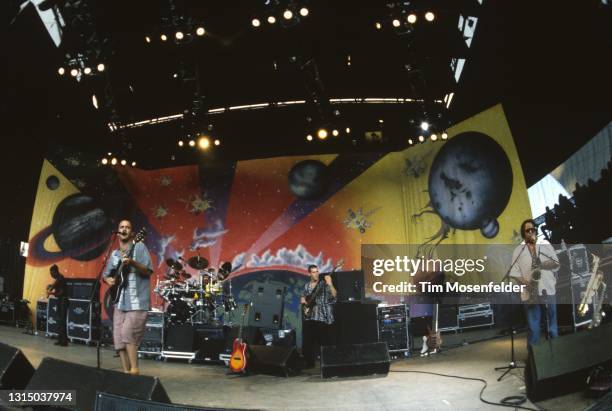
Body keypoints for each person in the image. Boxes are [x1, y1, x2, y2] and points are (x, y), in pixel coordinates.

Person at [103, 220, 153, 375]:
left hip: (137, 302)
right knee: (119, 339)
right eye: (121, 227)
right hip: (119, 301)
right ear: (118, 232)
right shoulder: (115, 254)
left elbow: (148, 271)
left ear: (132, 233)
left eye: (127, 227)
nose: (124, 229)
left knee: (127, 334)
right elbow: (106, 274)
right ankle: (126, 373)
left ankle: (135, 370)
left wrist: (132, 262)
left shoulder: (139, 247)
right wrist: (109, 280)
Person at [509, 219, 560, 346]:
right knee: (533, 329)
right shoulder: (518, 250)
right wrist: (528, 284)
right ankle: (534, 361)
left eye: (533, 229)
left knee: (552, 327)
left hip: (547, 290)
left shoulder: (544, 243)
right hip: (530, 293)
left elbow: (556, 263)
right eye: (528, 230)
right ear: (523, 233)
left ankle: (556, 357)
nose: (531, 232)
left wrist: (541, 264)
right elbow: (514, 273)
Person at [300, 264, 337, 368]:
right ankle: (309, 364)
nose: (316, 274)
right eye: (313, 272)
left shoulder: (323, 284)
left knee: (324, 342)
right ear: (309, 274)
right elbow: (303, 297)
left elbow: (334, 296)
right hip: (310, 317)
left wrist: (330, 284)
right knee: (308, 342)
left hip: (323, 316)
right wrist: (304, 307)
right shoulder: (307, 286)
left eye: (317, 271)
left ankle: (328, 364)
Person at [47, 264, 68, 346]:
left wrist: (52, 292)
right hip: (60, 301)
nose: (51, 274)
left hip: (63, 300)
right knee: (59, 321)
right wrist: (50, 288)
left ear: (55, 271)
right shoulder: (58, 279)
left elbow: (61, 292)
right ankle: (60, 340)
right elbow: (54, 286)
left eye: (51, 272)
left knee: (62, 321)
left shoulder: (61, 278)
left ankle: (64, 341)